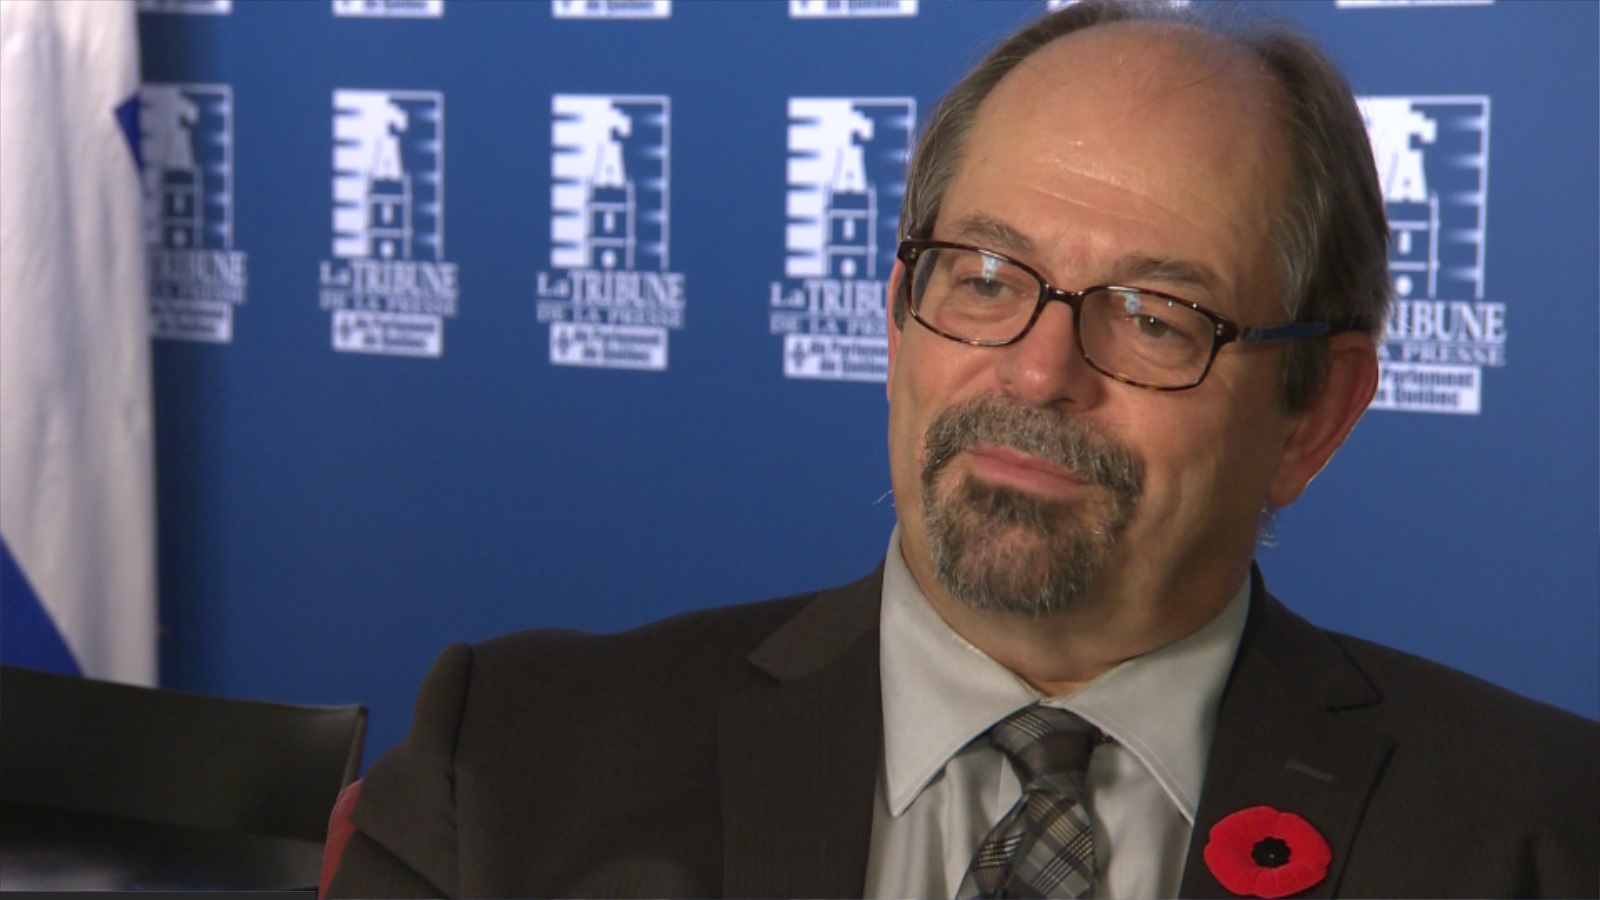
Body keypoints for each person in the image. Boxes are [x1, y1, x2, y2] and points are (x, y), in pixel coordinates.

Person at [328, 2, 1600, 897]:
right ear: (897, 315)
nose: (1039, 373)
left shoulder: (1541, 835)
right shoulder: (508, 767)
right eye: (985, 278)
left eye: (1155, 317)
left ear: (1314, 414)